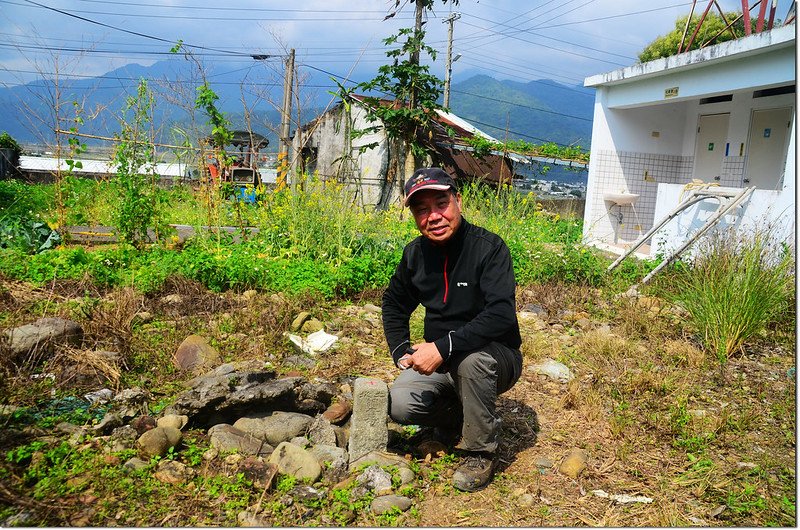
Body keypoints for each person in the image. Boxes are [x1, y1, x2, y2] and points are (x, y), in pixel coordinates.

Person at [382, 167, 523, 492]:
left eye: (441, 203)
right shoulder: (415, 255)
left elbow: (501, 314)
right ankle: (459, 418)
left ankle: (479, 450)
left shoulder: (488, 248)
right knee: (400, 403)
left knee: (471, 362)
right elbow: (394, 302)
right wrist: (401, 350)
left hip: (495, 356)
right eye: (421, 209)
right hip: (443, 360)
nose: (433, 216)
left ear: (458, 201)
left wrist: (442, 347)